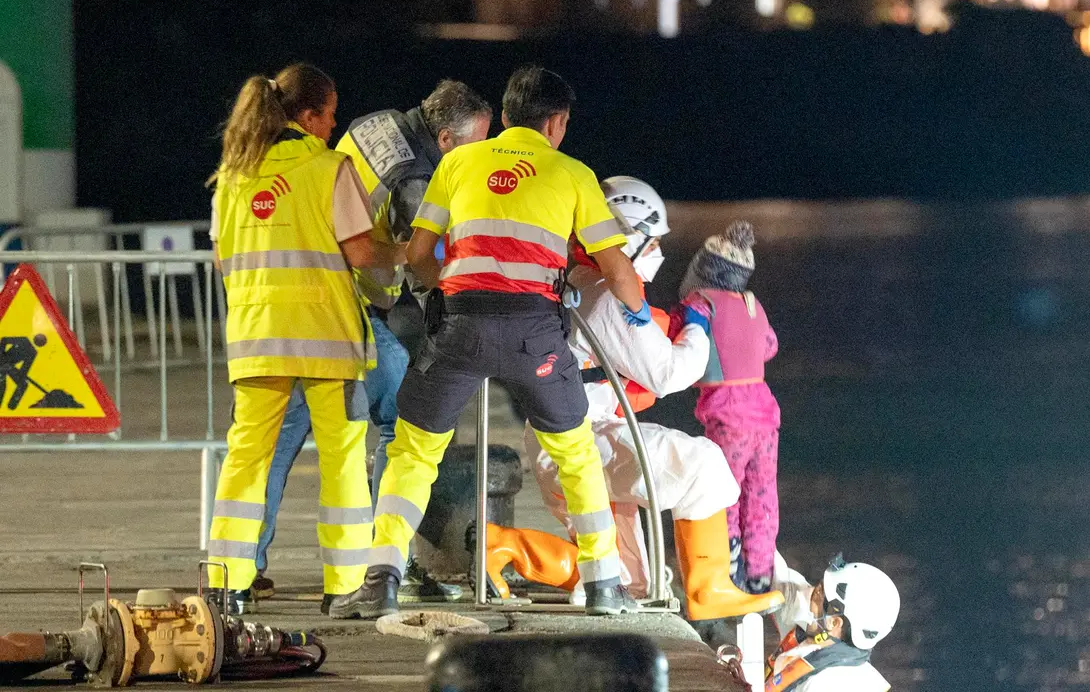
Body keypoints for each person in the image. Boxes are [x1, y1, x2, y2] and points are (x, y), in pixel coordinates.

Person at [330, 65, 649, 620]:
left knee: (412, 451)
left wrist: (447, 290)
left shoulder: (455, 162)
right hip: (536, 335)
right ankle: (603, 584)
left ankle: (381, 578)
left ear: (502, 117)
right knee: (575, 453)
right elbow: (619, 273)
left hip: (460, 327)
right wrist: (641, 314)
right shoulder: (572, 173)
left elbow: (417, 254)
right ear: (557, 123)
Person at [484, 176, 783, 626]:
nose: (659, 252)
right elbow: (670, 373)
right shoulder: (608, 296)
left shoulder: (575, 279)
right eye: (655, 241)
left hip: (560, 435)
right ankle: (708, 589)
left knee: (627, 582)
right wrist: (698, 324)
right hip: (585, 435)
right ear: (631, 237)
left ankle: (501, 544)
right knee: (704, 465)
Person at [250, 80, 492, 606]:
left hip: (300, 299)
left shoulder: (374, 121)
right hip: (347, 307)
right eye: (479, 143)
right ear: (448, 139)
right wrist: (451, 287)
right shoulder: (416, 180)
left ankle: (245, 564)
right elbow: (417, 252)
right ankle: (385, 561)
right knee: (403, 416)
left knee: (279, 436)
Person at [205, 63, 404, 614]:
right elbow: (362, 254)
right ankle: (344, 586)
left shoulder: (232, 176)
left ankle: (227, 584)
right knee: (341, 459)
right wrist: (413, 252)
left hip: (255, 340)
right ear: (310, 115)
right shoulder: (329, 168)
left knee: (246, 458)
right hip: (327, 341)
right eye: (331, 114)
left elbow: (225, 263)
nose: (334, 125)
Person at [679, 221, 782, 594]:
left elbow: (683, 345)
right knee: (761, 492)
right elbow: (768, 346)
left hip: (727, 415)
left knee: (724, 491)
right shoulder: (754, 304)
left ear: (703, 270)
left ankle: (729, 563)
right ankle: (760, 570)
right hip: (765, 414)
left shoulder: (699, 305)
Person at [765, 552, 900, 691]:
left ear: (834, 623)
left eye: (820, 592)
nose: (813, 591)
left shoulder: (826, 683)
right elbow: (784, 584)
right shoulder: (819, 633)